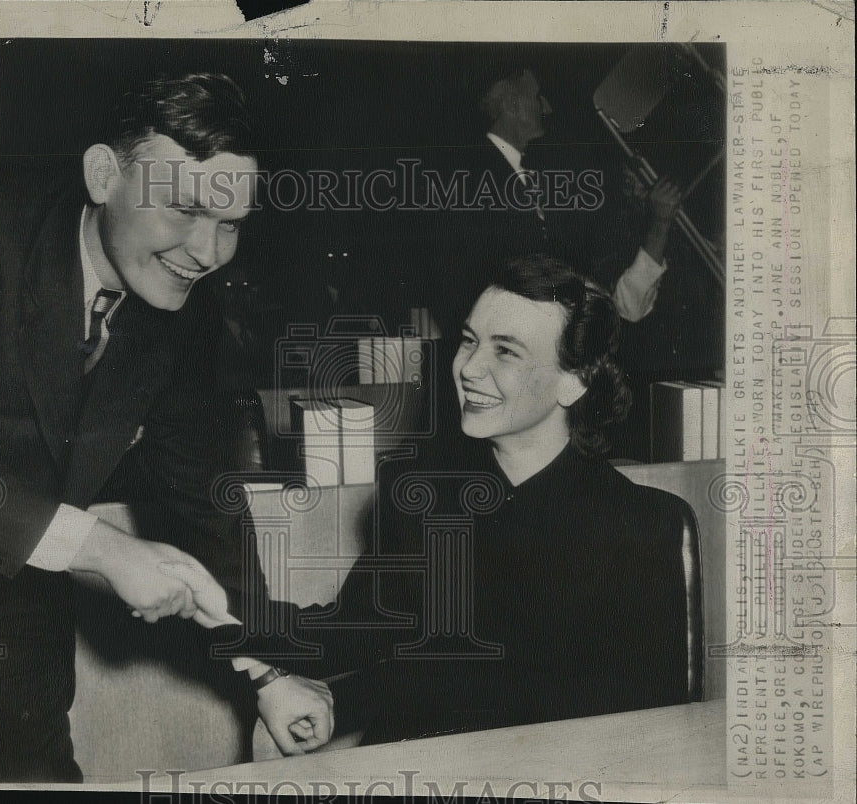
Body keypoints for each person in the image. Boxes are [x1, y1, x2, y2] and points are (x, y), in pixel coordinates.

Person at [0, 72, 328, 781]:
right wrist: (107, 550)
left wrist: (266, 672)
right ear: (104, 174)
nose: (206, 252)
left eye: (230, 223)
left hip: (20, 621)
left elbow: (206, 507)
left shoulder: (181, 314)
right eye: (183, 210)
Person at [166, 254, 694, 746]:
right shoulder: (419, 497)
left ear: (574, 383)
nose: (468, 368)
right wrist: (223, 605)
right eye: (469, 340)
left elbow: (641, 726)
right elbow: (358, 634)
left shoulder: (642, 525)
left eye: (505, 350)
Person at [419, 70, 682, 340]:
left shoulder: (534, 182)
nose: (546, 106)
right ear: (512, 104)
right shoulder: (470, 181)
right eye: (536, 97)